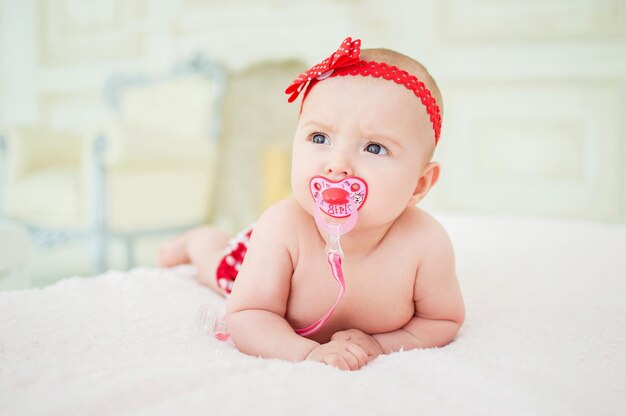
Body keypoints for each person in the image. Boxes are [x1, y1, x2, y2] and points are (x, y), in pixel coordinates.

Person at [158, 37, 465, 371]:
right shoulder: (283, 227)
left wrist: (381, 344)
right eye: (319, 138)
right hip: (253, 258)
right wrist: (306, 354)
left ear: (419, 185)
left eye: (374, 148)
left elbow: (442, 321)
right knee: (218, 267)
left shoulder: (425, 243)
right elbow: (248, 315)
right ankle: (196, 241)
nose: (338, 164)